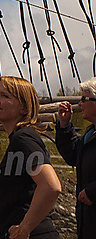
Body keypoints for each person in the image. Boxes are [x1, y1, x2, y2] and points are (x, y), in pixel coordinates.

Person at [0, 76, 62, 239]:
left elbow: (51, 186)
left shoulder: (23, 138)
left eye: (5, 96)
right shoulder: (21, 138)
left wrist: (24, 228)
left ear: (24, 108)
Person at [56, 77, 96, 238]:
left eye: (83, 99)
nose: (79, 104)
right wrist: (65, 125)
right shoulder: (90, 133)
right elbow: (73, 155)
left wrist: (93, 192)